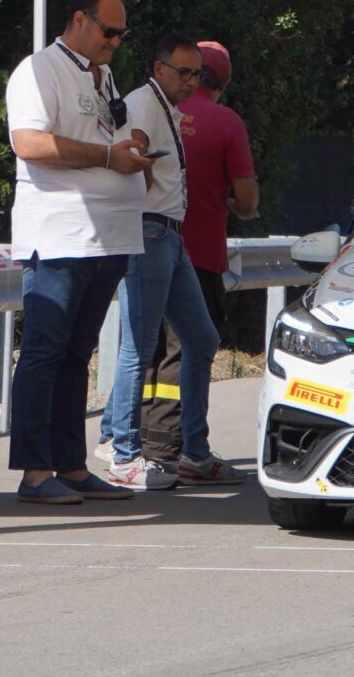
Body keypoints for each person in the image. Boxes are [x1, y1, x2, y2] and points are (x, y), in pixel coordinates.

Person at [4, 0, 151, 505]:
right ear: (79, 20)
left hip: (108, 236)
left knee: (76, 355)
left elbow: (114, 137)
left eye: (121, 33)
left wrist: (135, 153)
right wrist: (110, 159)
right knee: (45, 352)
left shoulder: (105, 75)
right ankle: (35, 472)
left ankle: (70, 463)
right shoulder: (39, 70)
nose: (115, 41)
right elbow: (31, 144)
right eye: (109, 31)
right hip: (61, 235)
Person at [100, 36, 234, 490]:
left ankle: (193, 452)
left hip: (170, 236)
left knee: (201, 338)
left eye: (196, 74)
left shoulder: (167, 107)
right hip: (149, 232)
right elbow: (131, 149)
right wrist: (142, 161)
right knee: (138, 346)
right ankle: (123, 455)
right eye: (182, 72)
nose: (190, 81)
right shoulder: (141, 102)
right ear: (158, 69)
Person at [176, 39, 259, 339]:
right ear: (225, 82)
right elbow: (248, 202)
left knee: (144, 351)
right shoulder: (227, 123)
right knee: (191, 348)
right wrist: (238, 205)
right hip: (202, 255)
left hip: (147, 252)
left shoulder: (156, 109)